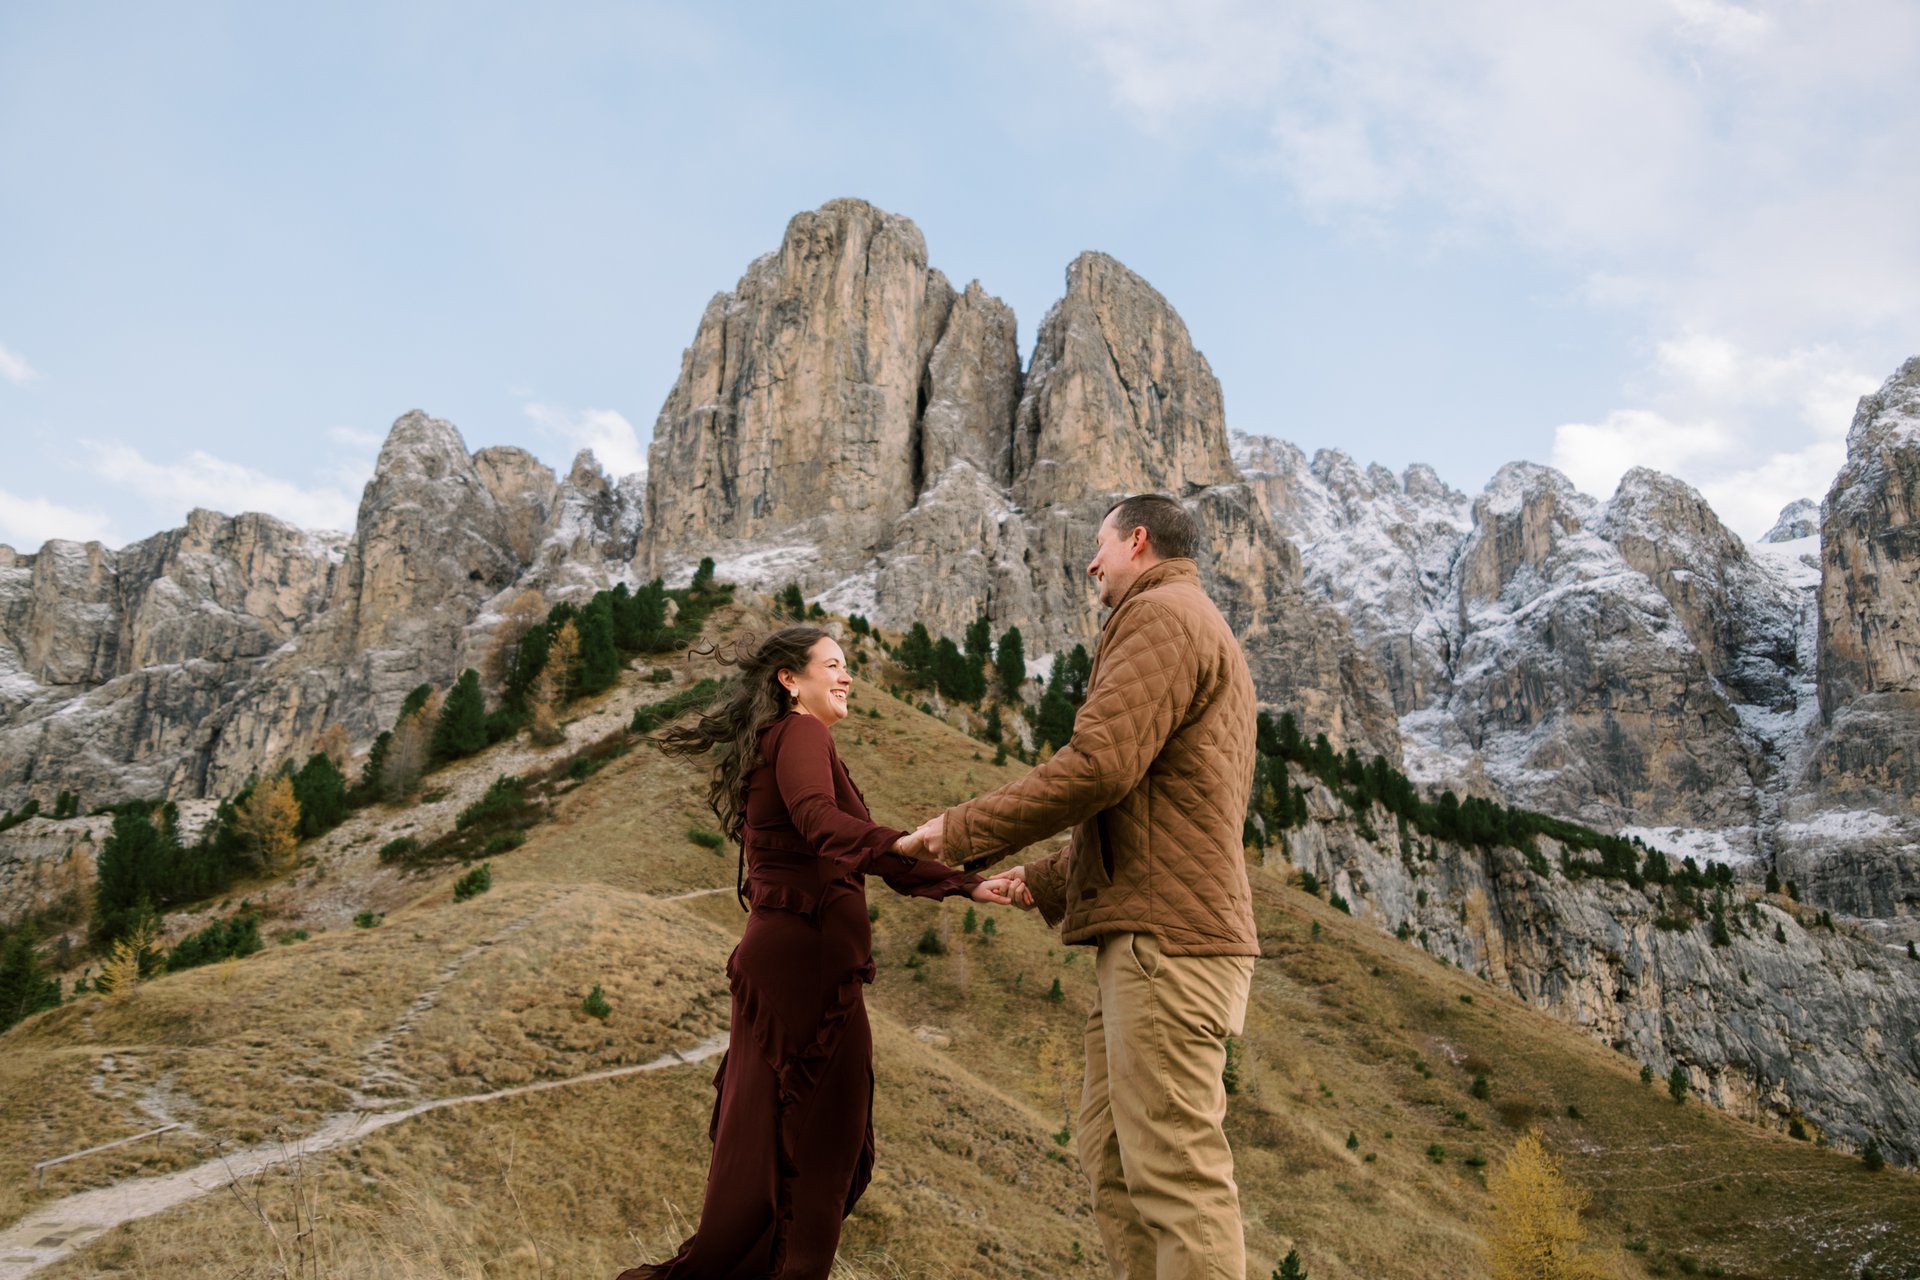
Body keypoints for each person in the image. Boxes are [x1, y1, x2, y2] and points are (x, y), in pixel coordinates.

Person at [912, 494, 1260, 1280]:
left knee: (1175, 1175)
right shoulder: (1191, 621)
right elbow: (1162, 805)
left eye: (1098, 547)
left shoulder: (1159, 616)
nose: (1090, 564)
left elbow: (1101, 767)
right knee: (1114, 1161)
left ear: (1137, 541)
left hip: (1165, 944)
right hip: (1160, 931)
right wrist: (1042, 882)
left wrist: (961, 830)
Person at [620, 625, 1014, 1280]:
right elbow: (819, 821)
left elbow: (852, 845)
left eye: (846, 665)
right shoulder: (802, 734)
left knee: (785, 1154)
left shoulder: (786, 739)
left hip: (798, 969)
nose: (847, 675)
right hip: (805, 973)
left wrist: (967, 884)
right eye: (832, 664)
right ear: (790, 680)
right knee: (817, 1153)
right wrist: (909, 845)